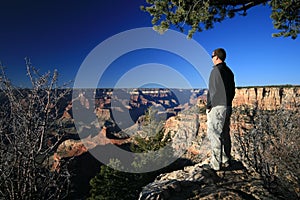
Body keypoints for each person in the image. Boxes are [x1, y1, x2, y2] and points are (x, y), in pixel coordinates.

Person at [206, 48, 235, 170]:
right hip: (227, 106)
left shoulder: (216, 71)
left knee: (214, 134)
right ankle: (226, 159)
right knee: (224, 134)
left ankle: (216, 164)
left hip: (217, 107)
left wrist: (209, 106)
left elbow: (213, 91)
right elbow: (233, 90)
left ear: (217, 57)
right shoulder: (229, 71)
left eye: (212, 56)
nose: (211, 58)